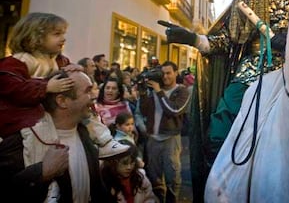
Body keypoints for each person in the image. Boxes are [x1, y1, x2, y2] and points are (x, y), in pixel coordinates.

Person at [160, 0, 289, 199]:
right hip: (247, 74)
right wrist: (193, 38)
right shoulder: (243, 1)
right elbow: (225, 41)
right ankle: (223, 189)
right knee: (218, 131)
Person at [0, 12, 128, 160]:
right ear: (35, 36)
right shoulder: (17, 62)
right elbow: (13, 89)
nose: (63, 38)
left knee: (87, 111)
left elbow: (68, 70)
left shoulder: (59, 60)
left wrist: (75, 69)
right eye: (57, 34)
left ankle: (104, 141)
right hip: (28, 118)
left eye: (63, 33)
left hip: (55, 112)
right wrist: (46, 87)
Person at [0, 70, 114, 202]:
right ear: (62, 101)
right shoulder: (24, 140)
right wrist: (41, 173)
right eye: (88, 91)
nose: (94, 96)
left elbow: (96, 190)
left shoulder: (87, 133)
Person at [139, 61, 189, 203]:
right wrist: (143, 93)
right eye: (163, 73)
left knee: (172, 177)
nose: (165, 76)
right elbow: (144, 111)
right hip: (153, 139)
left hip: (170, 139)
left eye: (168, 73)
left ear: (176, 73)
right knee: (154, 178)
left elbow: (174, 110)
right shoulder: (155, 90)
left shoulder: (182, 91)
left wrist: (159, 92)